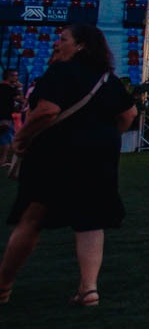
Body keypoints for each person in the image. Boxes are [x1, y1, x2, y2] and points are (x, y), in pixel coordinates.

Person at [0, 24, 137, 307]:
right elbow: (129, 113)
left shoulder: (61, 72)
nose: (56, 44)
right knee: (91, 219)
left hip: (56, 154)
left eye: (62, 39)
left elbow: (47, 111)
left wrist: (21, 139)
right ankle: (89, 289)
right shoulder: (108, 79)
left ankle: (3, 284)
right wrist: (106, 137)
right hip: (98, 156)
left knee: (33, 215)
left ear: (80, 45)